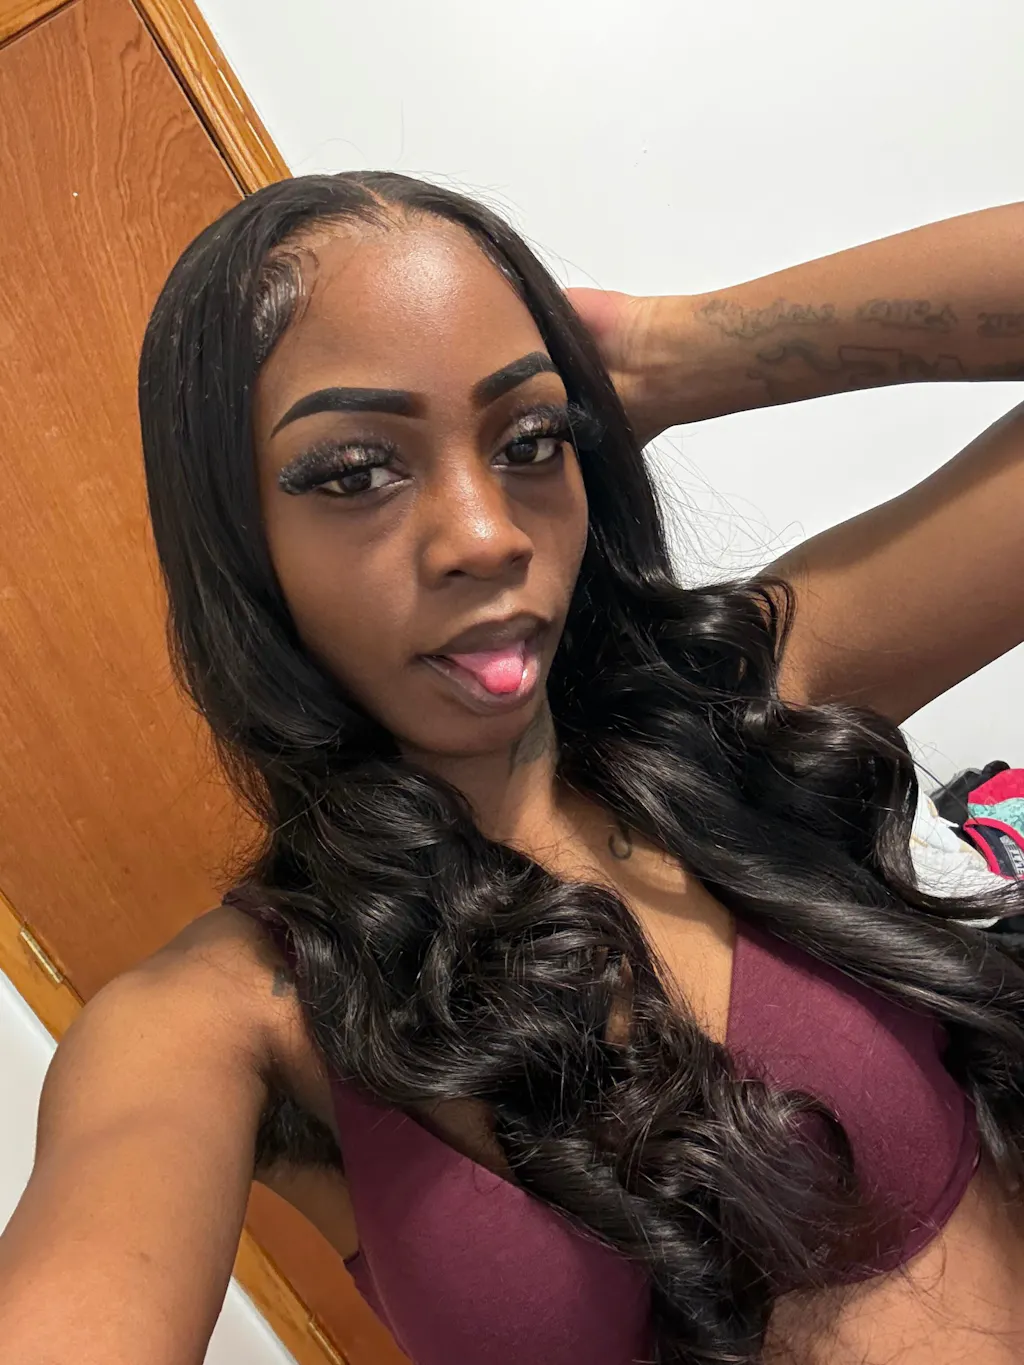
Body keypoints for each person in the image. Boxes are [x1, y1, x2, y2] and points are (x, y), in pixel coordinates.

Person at [2, 172, 1024, 1365]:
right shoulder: (220, 1021)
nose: (486, 534)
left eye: (530, 442)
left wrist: (662, 352)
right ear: (239, 543)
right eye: (354, 472)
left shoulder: (742, 702)